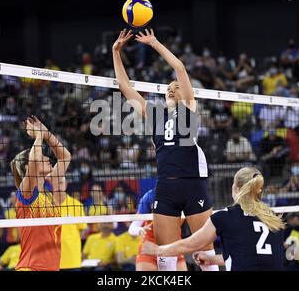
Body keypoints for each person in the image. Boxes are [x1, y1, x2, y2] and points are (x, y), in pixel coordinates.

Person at [113, 29, 216, 271]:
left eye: (175, 87)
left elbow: (179, 68)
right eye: (167, 88)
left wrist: (154, 43)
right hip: (166, 186)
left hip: (192, 183)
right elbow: (124, 86)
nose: (171, 88)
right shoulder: (155, 115)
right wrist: (116, 52)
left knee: (206, 253)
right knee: (165, 256)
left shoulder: (190, 109)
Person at [142, 167, 285, 271]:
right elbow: (250, 256)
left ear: (235, 188)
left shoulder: (226, 216)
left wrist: (158, 251)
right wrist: (211, 259)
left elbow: (190, 245)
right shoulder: (273, 218)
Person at [11, 115, 71, 271]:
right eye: (43, 156)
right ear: (27, 168)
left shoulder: (49, 187)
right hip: (30, 268)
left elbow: (65, 157)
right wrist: (38, 137)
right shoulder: (26, 192)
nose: (47, 158)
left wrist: (46, 134)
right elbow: (35, 161)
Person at [128, 189, 187, 271]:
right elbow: (132, 228)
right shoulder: (150, 196)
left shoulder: (184, 196)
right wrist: (140, 230)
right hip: (149, 250)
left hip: (173, 249)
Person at [60, 193, 87, 271]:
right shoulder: (47, 204)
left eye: (61, 183)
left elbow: (83, 230)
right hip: (51, 258)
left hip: (71, 259)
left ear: (66, 185)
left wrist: (69, 242)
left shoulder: (76, 205)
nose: (57, 185)